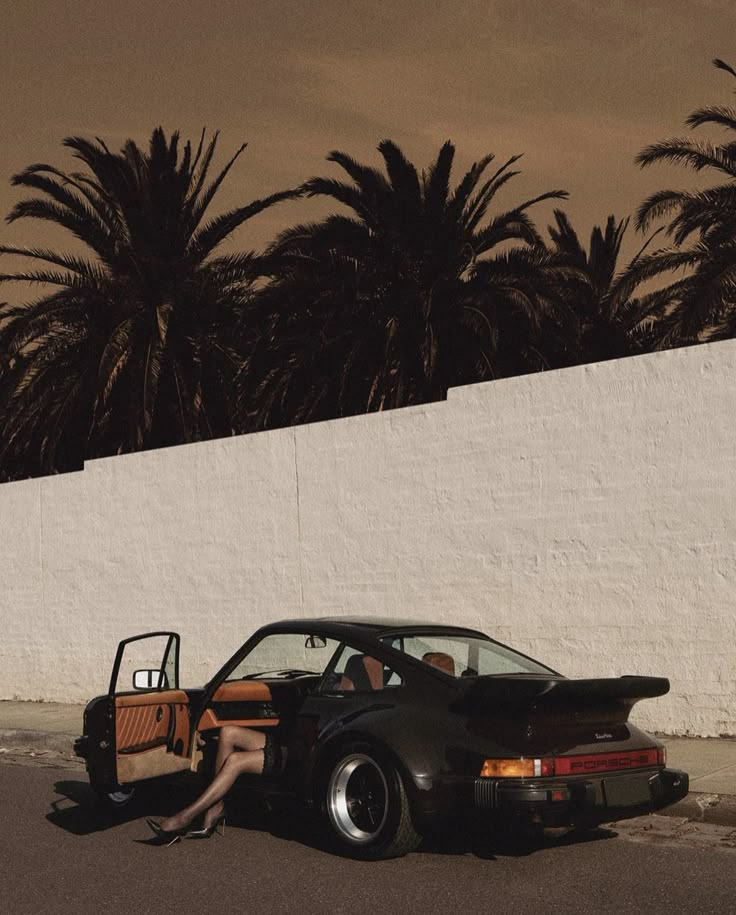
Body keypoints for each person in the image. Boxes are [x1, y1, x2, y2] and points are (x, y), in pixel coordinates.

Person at [146, 725, 280, 845]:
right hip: (285, 740)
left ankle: (185, 818)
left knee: (235, 761)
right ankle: (216, 806)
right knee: (228, 732)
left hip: (295, 754)